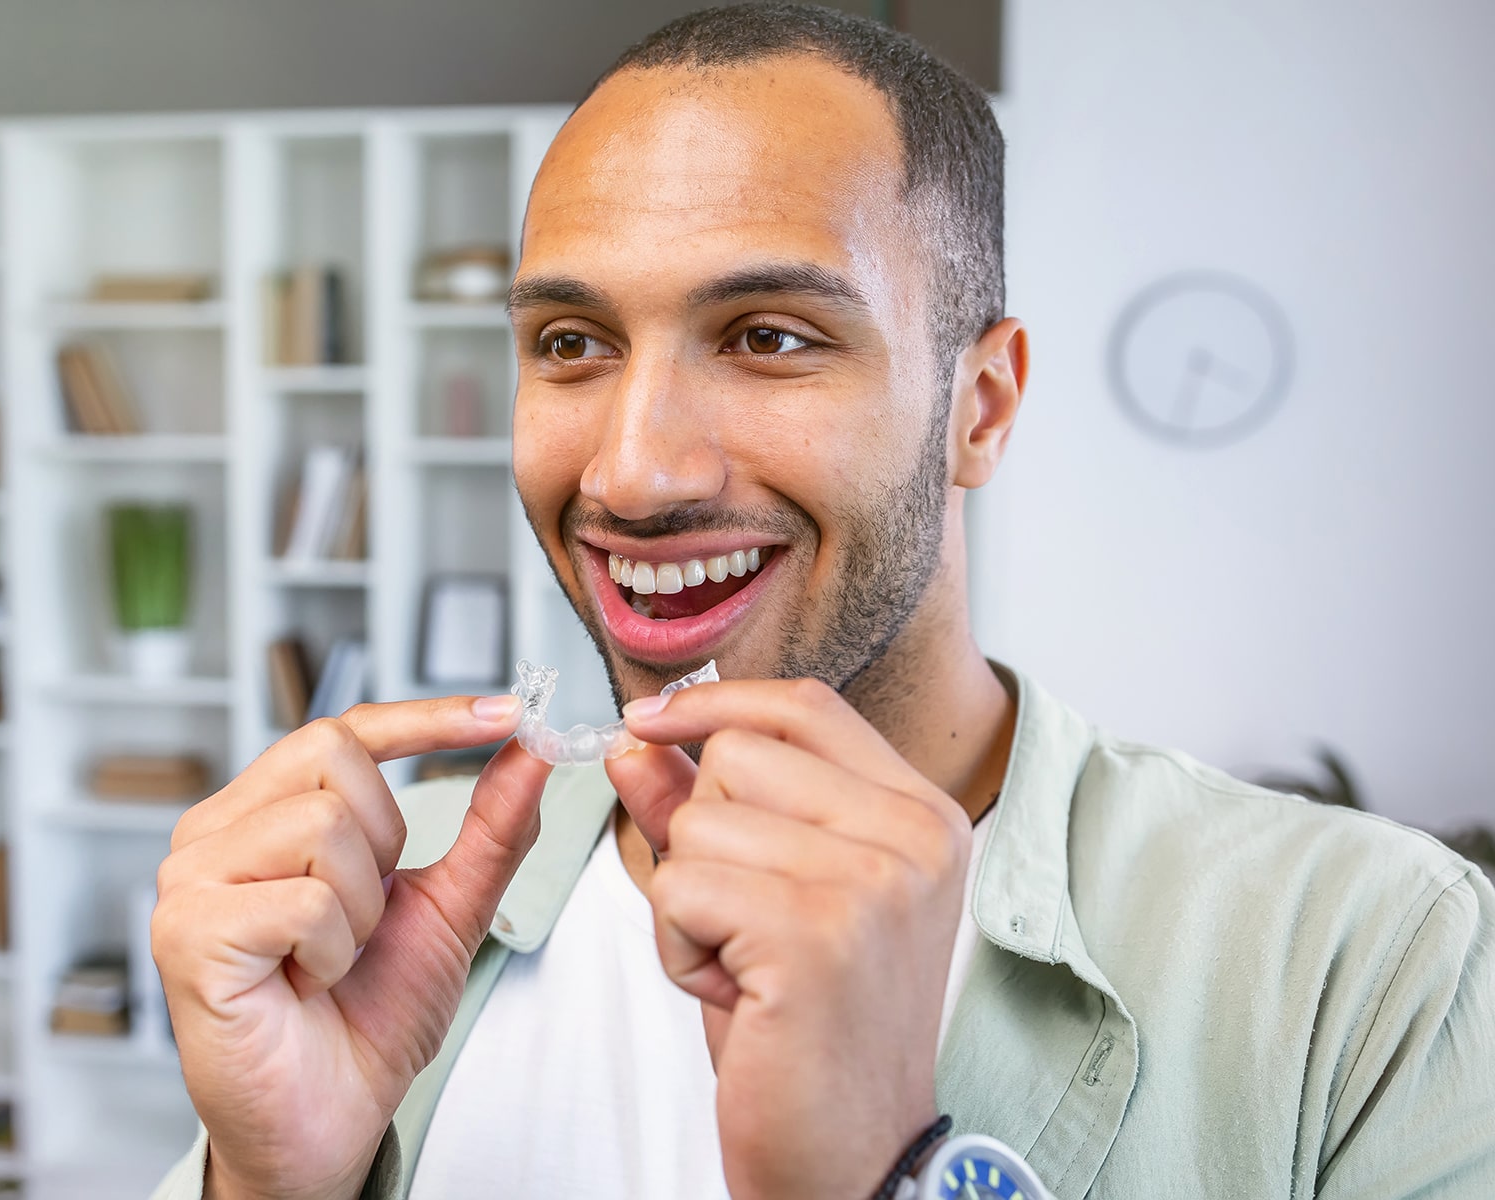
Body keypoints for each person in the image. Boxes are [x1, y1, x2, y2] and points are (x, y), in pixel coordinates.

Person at [150, 5, 1495, 1198]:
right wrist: (270, 1188)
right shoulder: (381, 898)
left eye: (769, 338)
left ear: (980, 406)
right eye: (573, 345)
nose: (631, 470)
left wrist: (886, 1180)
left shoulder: (1369, 962)